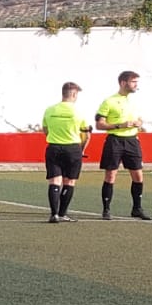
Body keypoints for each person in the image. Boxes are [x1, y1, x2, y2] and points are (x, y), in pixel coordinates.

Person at [94, 70, 150, 220]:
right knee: (111, 175)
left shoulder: (134, 101)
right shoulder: (109, 101)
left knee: (138, 175)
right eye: (133, 82)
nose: (136, 85)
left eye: (137, 82)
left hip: (132, 140)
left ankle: (137, 208)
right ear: (123, 83)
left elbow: (137, 118)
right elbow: (99, 125)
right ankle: (106, 209)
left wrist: (139, 122)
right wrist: (120, 125)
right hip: (115, 140)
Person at [42, 81, 90, 223]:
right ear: (74, 94)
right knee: (69, 182)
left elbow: (45, 129)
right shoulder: (78, 112)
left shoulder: (50, 110)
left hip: (54, 147)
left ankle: (54, 214)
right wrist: (82, 150)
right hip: (72, 148)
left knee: (54, 181)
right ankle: (62, 213)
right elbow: (86, 134)